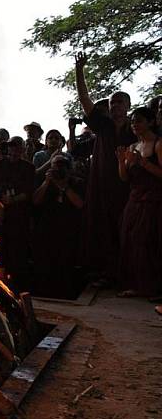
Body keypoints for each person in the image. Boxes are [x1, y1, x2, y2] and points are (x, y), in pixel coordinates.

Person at [74, 52, 135, 285]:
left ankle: (129, 275)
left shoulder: (135, 128)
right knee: (103, 229)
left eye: (120, 102)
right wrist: (80, 71)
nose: (116, 106)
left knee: (128, 229)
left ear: (128, 105)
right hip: (102, 186)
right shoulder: (103, 125)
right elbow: (85, 100)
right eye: (112, 103)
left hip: (128, 187)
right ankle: (107, 274)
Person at [116, 107, 162, 298]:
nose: (135, 124)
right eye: (133, 121)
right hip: (134, 199)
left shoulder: (158, 144)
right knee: (129, 239)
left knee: (149, 242)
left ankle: (155, 288)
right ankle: (136, 285)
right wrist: (121, 161)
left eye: (139, 120)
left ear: (150, 122)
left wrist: (142, 162)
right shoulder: (132, 147)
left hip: (154, 200)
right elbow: (125, 178)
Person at [31, 154, 85, 299]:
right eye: (55, 166)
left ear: (69, 168)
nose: (59, 169)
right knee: (45, 263)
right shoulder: (47, 182)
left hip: (68, 229)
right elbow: (35, 201)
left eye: (62, 166)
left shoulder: (77, 182)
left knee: (66, 264)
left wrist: (65, 186)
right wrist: (47, 182)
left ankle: (66, 293)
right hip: (47, 229)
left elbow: (80, 204)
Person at [0, 137, 35, 287]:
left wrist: (13, 199)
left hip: (18, 215)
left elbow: (29, 191)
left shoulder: (28, 167)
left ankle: (16, 285)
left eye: (16, 146)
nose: (13, 149)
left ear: (22, 149)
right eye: (10, 146)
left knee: (17, 250)